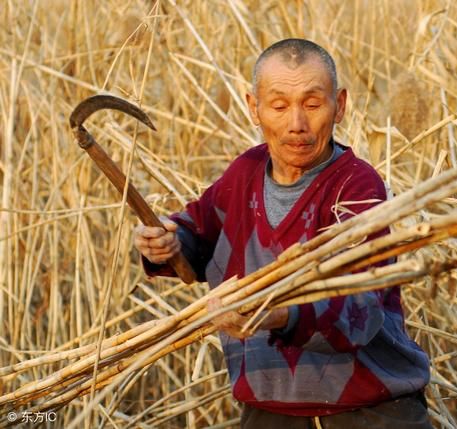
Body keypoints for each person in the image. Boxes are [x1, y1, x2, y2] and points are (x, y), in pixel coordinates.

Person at [134, 38, 432, 428]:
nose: (296, 124)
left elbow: (359, 310)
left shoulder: (357, 189)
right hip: (269, 411)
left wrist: (276, 313)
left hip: (370, 411)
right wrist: (167, 243)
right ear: (253, 107)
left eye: (312, 104)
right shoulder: (244, 174)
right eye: (278, 105)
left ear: (339, 105)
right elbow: (197, 234)